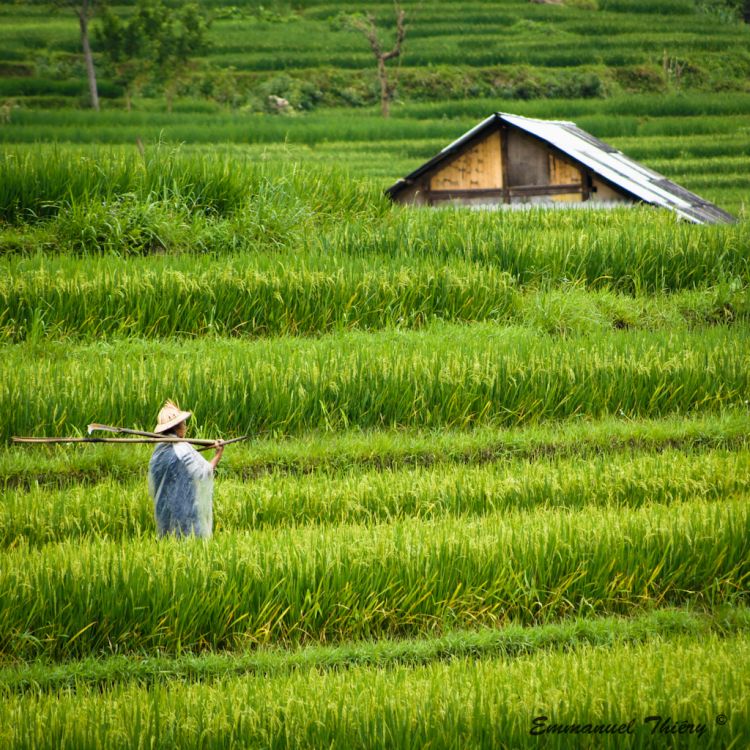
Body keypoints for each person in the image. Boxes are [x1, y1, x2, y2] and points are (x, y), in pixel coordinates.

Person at [148, 400, 224, 539]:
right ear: (176, 427)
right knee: (189, 543)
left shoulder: (158, 451)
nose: (185, 426)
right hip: (185, 507)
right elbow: (203, 473)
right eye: (183, 424)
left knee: (169, 543)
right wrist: (218, 454)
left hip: (164, 508)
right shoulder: (181, 448)